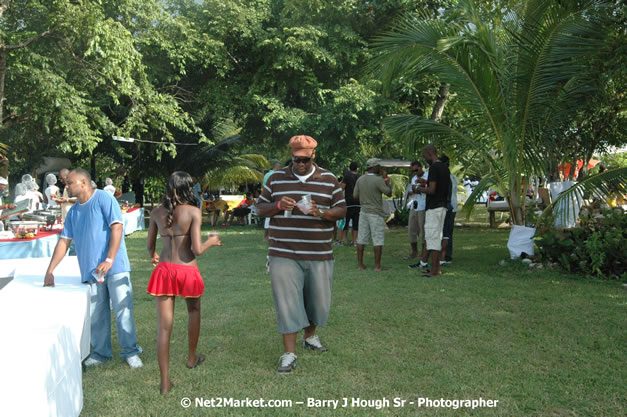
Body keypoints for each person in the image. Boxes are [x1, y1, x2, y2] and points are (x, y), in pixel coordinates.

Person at [256, 135, 346, 374]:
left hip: (319, 252)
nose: (301, 164)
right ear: (291, 156)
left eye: (305, 160)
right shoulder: (276, 179)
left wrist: (321, 213)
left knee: (318, 301)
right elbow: (259, 207)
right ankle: (289, 353)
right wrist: (276, 206)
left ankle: (310, 336)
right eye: (296, 160)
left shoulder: (329, 179)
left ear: (313, 155)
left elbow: (342, 209)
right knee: (286, 301)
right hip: (283, 251)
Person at [44, 168, 143, 368]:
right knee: (97, 314)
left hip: (115, 267)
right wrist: (50, 270)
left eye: (69, 183)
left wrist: (109, 259)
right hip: (91, 271)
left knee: (123, 310)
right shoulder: (73, 212)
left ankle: (130, 352)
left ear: (83, 182)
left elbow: (117, 227)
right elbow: (64, 242)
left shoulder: (105, 199)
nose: (66, 186)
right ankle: (100, 353)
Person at [146, 171, 222, 394]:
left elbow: (150, 246)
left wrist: (153, 256)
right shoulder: (193, 212)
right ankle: (191, 358)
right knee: (194, 310)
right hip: (187, 270)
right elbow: (197, 249)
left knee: (164, 327)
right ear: (189, 188)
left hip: (164, 270)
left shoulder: (157, 212)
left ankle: (165, 383)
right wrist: (211, 241)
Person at [414, 145, 451, 277]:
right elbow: (439, 186)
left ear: (430, 153)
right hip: (442, 206)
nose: (424, 159)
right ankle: (435, 268)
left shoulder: (434, 167)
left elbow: (432, 190)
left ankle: (435, 270)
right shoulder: (445, 168)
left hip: (434, 207)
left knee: (432, 238)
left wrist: (419, 189)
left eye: (425, 156)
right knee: (436, 236)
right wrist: (425, 183)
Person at [353, 158, 392, 271]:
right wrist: (386, 179)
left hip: (363, 211)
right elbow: (389, 193)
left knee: (361, 239)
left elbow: (355, 196)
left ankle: (360, 265)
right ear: (374, 167)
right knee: (378, 239)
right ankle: (377, 266)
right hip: (375, 213)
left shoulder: (360, 179)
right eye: (378, 166)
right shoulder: (378, 179)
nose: (379, 168)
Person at [406, 161, 429, 266]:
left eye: (416, 170)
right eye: (413, 171)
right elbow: (411, 191)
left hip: (423, 206)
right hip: (413, 205)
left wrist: (421, 187)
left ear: (421, 167)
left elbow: (430, 189)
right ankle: (414, 252)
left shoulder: (428, 176)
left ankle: (424, 254)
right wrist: (414, 190)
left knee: (424, 230)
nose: (415, 172)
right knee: (411, 229)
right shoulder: (413, 178)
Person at [439, 154, 457, 265]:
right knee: (446, 232)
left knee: (447, 232)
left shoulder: (448, 177)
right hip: (450, 207)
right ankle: (444, 255)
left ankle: (446, 256)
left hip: (448, 208)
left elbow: (448, 194)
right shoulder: (450, 176)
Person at [337, 162, 360, 246]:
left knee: (345, 223)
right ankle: (355, 241)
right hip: (358, 202)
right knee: (355, 223)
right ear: (357, 168)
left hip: (349, 203)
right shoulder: (360, 177)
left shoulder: (347, 176)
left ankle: (342, 240)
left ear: (350, 168)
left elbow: (341, 188)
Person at [263, 161, 284, 240]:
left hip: (267, 197)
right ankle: (268, 235)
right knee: (271, 215)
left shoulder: (266, 175)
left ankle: (267, 235)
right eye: (280, 168)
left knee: (268, 216)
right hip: (273, 197)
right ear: (278, 167)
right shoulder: (274, 175)